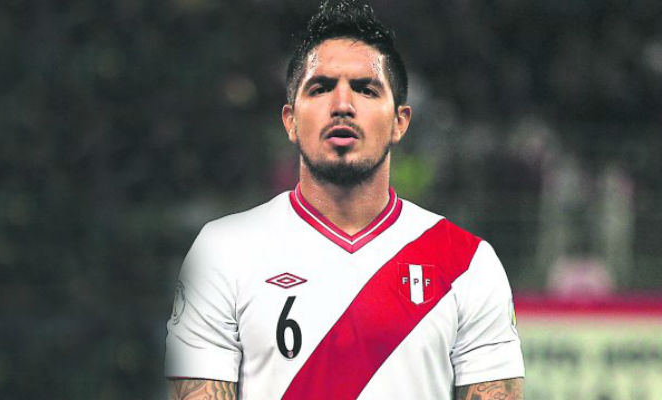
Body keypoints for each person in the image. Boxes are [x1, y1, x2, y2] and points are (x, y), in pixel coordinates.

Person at [165, 1, 525, 399]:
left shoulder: (468, 263)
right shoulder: (223, 251)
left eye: (365, 89)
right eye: (320, 88)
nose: (342, 106)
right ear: (290, 120)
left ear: (400, 121)